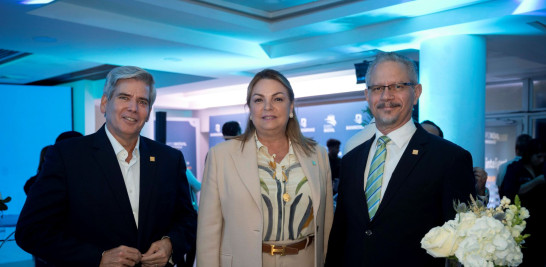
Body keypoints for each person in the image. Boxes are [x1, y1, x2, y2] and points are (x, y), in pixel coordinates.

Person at [16, 66, 197, 267]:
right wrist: (97, 258)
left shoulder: (170, 159)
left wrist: (170, 243)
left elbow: (187, 219)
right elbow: (31, 231)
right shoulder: (67, 156)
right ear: (104, 103)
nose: (133, 108)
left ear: (148, 112)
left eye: (142, 102)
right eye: (124, 97)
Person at [325, 52, 476, 266]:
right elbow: (341, 231)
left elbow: (464, 243)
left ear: (416, 93)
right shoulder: (351, 160)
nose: (386, 96)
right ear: (367, 96)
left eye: (397, 86)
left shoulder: (450, 159)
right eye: (378, 88)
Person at [197, 69, 333, 267]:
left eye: (278, 99)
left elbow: (327, 223)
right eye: (259, 100)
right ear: (250, 109)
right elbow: (208, 232)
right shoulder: (221, 156)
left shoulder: (318, 154)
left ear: (291, 106)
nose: (268, 107)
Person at [499, 138, 545, 266]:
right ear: (530, 155)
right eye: (539, 156)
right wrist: (536, 181)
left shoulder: (541, 168)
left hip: (538, 223)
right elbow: (509, 193)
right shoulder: (514, 169)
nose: (541, 160)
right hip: (519, 222)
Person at [419, 120, 488, 199]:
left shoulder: (452, 171)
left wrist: (480, 190)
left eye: (432, 139)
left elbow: (469, 207)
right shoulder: (404, 167)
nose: (423, 144)